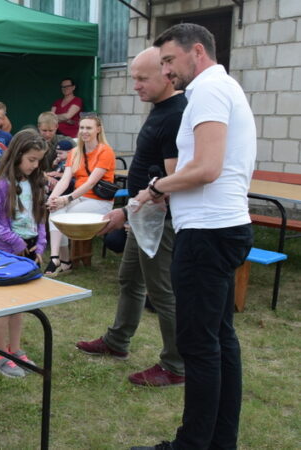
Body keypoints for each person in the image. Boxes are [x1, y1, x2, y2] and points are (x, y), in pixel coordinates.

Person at [130, 24, 256, 450]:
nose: (166, 71)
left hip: (207, 234)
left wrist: (155, 188)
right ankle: (219, 442)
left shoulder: (206, 90)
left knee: (200, 346)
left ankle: (192, 445)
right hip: (222, 227)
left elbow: (206, 168)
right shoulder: (223, 87)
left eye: (168, 61)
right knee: (220, 340)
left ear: (196, 51)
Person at [76, 47, 187, 388]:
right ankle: (117, 341)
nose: (135, 85)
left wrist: (127, 210)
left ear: (167, 74)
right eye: (133, 77)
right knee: (130, 281)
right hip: (142, 216)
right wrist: (130, 211)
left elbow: (170, 181)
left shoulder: (175, 114)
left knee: (162, 292)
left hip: (159, 222)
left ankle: (176, 364)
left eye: (142, 78)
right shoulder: (160, 109)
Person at [0, 129, 49, 377]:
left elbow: (40, 219)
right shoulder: (2, 185)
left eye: (39, 160)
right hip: (7, 252)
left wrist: (39, 247)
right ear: (18, 154)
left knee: (19, 305)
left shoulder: (35, 183)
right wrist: (15, 241)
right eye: (31, 159)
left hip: (29, 251)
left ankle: (15, 349)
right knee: (4, 305)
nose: (35, 164)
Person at [45, 115, 116, 276]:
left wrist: (67, 198)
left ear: (98, 130)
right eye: (82, 127)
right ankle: (58, 259)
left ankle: (63, 262)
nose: (84, 131)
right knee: (55, 210)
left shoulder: (105, 151)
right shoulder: (75, 152)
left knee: (63, 215)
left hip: (99, 200)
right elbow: (64, 180)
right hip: (78, 198)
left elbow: (91, 183)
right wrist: (53, 198)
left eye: (89, 128)